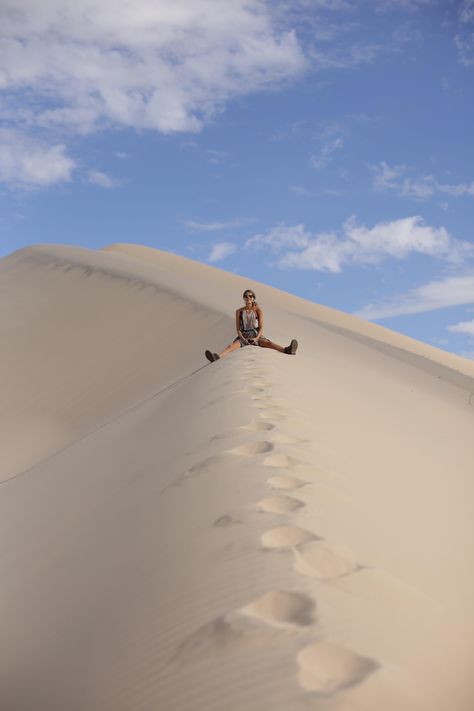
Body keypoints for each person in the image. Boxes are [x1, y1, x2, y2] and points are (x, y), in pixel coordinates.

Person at [205, 289, 298, 362]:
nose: (248, 298)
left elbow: (261, 328)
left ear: (253, 298)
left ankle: (287, 350)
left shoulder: (258, 310)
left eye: (250, 296)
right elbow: (238, 329)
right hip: (243, 336)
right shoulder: (239, 312)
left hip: (256, 335)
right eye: (245, 296)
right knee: (230, 346)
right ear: (243, 298)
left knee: (270, 344)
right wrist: (244, 339)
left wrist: (256, 339)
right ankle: (217, 357)